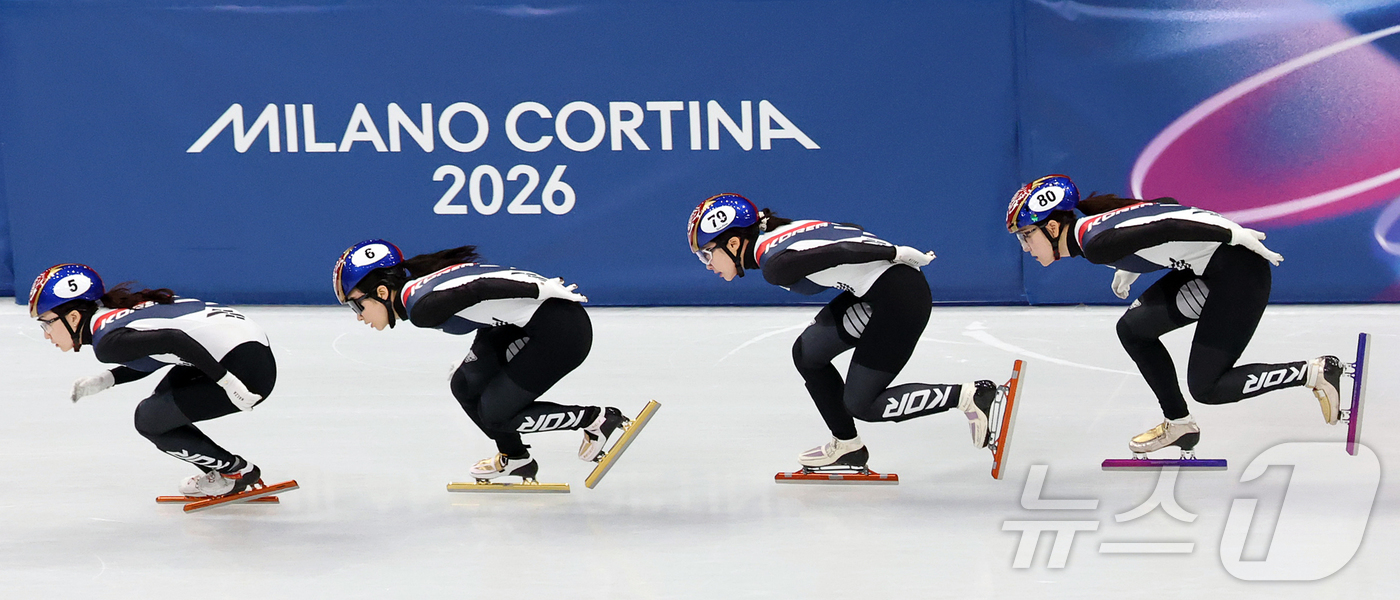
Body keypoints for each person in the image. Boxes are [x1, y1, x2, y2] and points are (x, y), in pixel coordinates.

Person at [1005, 174, 1343, 457]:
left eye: (1027, 237)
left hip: (1240, 274)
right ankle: (1179, 425)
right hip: (1209, 270)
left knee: (1208, 387)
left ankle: (1315, 372)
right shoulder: (1091, 230)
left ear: (1051, 227)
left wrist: (1230, 234)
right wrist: (1131, 264)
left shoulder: (1095, 244)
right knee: (1133, 330)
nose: (1026, 248)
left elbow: (1166, 225)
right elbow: (1163, 204)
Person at [687, 193, 1002, 471]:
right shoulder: (775, 233)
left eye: (706, 253)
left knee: (862, 404)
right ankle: (847, 446)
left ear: (732, 243)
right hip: (876, 293)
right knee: (807, 353)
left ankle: (969, 396)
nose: (707, 264)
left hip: (900, 298)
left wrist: (893, 253)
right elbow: (847, 230)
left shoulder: (774, 263)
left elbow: (842, 250)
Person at [332, 239, 623, 483]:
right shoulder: (418, 290)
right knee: (465, 385)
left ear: (381, 292)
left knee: (496, 413)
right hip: (518, 326)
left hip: (561, 333)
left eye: (357, 305)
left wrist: (539, 289)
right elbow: (481, 300)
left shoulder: (421, 307)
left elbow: (480, 287)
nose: (359, 316)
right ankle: (516, 458)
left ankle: (597, 420)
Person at [29, 264, 275, 496]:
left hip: (244, 372)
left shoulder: (106, 343)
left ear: (72, 318)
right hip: (244, 351)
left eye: (46, 324)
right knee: (163, 403)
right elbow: (157, 352)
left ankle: (235, 472)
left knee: (149, 419)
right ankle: (223, 471)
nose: (47, 335)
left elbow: (173, 340)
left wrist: (228, 383)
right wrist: (108, 379)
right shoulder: (114, 316)